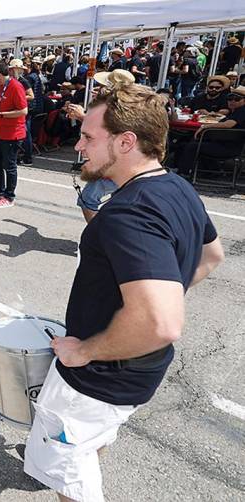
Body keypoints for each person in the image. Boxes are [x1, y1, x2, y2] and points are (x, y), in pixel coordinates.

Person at [24, 82, 224, 502]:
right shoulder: (177, 186)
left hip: (98, 376)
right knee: (91, 443)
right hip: (138, 372)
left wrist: (85, 351)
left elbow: (162, 322)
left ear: (126, 141)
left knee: (71, 477)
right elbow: (211, 256)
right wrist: (157, 297)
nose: (79, 146)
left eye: (89, 137)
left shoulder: (126, 213)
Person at [0, 60, 28, 209]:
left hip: (12, 133)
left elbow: (23, 111)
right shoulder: (2, 86)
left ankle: (9, 197)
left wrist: (1, 115)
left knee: (9, 166)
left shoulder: (15, 86)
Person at [175, 85, 245, 178]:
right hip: (222, 143)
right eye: (230, 98)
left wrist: (206, 126)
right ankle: (210, 171)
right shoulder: (235, 111)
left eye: (237, 99)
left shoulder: (242, 111)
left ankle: (184, 173)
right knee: (188, 141)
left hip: (229, 147)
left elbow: (229, 124)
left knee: (193, 145)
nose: (232, 101)